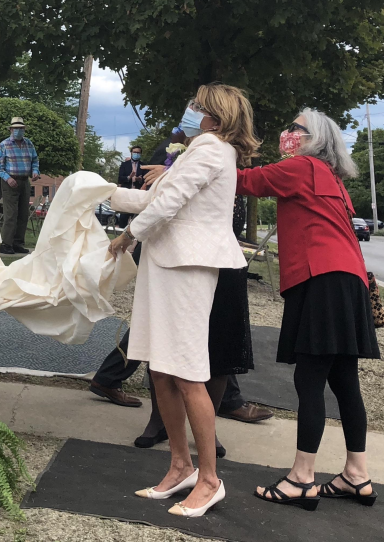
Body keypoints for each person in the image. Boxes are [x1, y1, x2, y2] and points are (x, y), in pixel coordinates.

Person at [108, 83, 258, 517]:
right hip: (166, 263)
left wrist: (128, 235)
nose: (188, 110)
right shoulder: (198, 149)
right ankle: (180, 465)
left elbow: (170, 202)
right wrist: (97, 191)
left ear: (214, 117)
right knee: (160, 369)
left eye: (196, 105)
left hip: (188, 267)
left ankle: (210, 480)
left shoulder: (211, 149)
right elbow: (156, 198)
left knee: (188, 372)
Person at [238, 109, 380, 510]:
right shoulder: (332, 178)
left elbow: (246, 182)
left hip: (321, 277)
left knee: (310, 378)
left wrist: (196, 161)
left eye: (294, 127)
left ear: (312, 137)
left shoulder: (300, 167)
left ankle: (302, 479)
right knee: (344, 380)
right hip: (349, 279)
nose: (288, 132)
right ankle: (357, 474)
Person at [0, 117, 40, 256]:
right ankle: (6, 244)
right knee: (11, 214)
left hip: (25, 181)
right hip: (10, 182)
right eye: (16, 128)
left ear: (24, 130)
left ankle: (18, 243)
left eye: (21, 128)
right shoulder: (4, 145)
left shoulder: (29, 144)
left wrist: (35, 172)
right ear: (11, 130)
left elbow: (35, 160)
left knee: (23, 214)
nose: (19, 130)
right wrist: (8, 178)